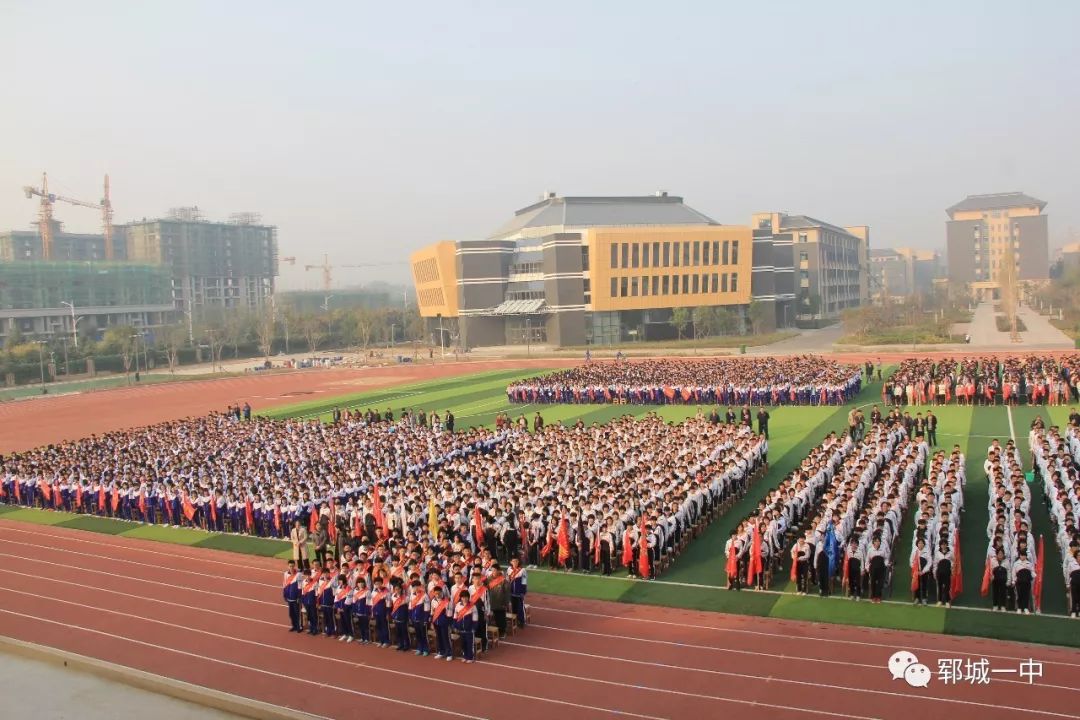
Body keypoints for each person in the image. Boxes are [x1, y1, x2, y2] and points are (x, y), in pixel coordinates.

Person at [408, 580, 431, 656]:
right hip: (414, 619)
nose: (415, 588)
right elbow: (410, 607)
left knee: (423, 634)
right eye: (414, 587)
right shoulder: (412, 595)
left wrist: (425, 619)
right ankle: (419, 648)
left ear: (420, 586)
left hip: (422, 619)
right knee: (418, 634)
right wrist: (411, 617)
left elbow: (427, 609)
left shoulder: (424, 595)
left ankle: (426, 649)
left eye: (417, 586)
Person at [431, 585, 453, 660]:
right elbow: (432, 612)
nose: (437, 595)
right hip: (436, 623)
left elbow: (449, 614)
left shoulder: (447, 601)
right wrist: (432, 622)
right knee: (439, 637)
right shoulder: (433, 601)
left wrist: (448, 623)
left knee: (446, 638)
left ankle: (449, 653)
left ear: (441, 592)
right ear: (434, 593)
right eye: (436, 593)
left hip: (444, 623)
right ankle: (441, 652)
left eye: (439, 593)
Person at [453, 596, 477, 664]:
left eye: (466, 597)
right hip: (461, 629)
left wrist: (474, 627)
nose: (464, 599)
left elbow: (475, 617)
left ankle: (470, 657)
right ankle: (465, 656)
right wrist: (455, 626)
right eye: (463, 597)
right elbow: (455, 616)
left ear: (468, 597)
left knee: (469, 643)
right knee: (463, 644)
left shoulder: (472, 606)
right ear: (461, 598)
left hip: (469, 629)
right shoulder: (458, 605)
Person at [282, 560, 302, 632]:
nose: (291, 567)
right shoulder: (285, 574)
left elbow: (300, 586)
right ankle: (294, 626)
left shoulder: (298, 574)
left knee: (297, 613)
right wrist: (284, 595)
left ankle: (299, 627)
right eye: (290, 566)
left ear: (295, 566)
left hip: (295, 598)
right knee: (291, 614)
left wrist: (299, 597)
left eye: (293, 566)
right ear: (288, 566)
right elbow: (284, 584)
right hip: (289, 598)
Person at [508, 557, 527, 628]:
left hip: (519, 592)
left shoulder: (522, 570)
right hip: (512, 592)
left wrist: (523, 592)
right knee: (514, 607)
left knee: (520, 607)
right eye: (513, 561)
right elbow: (508, 580)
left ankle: (522, 621)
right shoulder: (509, 570)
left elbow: (524, 581)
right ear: (511, 562)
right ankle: (515, 620)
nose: (515, 563)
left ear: (518, 562)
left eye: (516, 561)